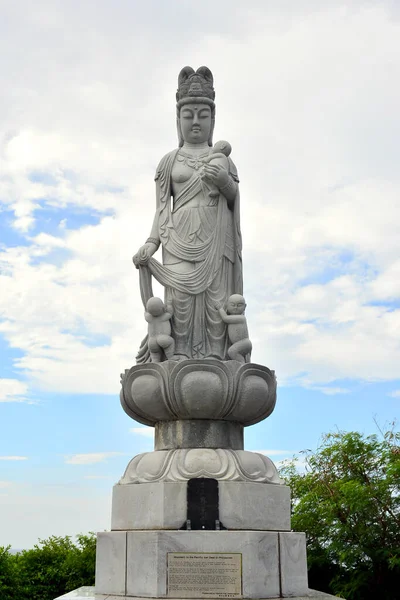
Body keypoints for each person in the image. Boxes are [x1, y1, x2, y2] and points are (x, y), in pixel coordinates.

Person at [133, 66, 242, 361]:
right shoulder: (169, 161)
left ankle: (216, 357)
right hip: (177, 237)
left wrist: (223, 181)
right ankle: (178, 354)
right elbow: (161, 208)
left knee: (215, 300)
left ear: (213, 120)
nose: (195, 121)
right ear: (178, 119)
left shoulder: (223, 160)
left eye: (203, 116)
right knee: (179, 300)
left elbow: (233, 201)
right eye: (188, 115)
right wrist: (151, 243)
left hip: (215, 237)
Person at [216, 295, 252, 363]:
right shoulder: (235, 317)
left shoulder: (241, 318)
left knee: (232, 351)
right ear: (227, 305)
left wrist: (220, 308)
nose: (235, 307)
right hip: (241, 343)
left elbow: (225, 318)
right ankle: (243, 363)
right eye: (233, 305)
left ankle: (241, 365)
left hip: (245, 343)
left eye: (239, 305)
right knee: (234, 352)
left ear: (245, 307)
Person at [145, 297, 174, 363]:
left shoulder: (149, 318)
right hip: (163, 338)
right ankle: (170, 357)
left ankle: (155, 361)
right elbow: (170, 313)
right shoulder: (164, 317)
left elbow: (145, 313)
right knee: (170, 343)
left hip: (151, 341)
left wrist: (147, 310)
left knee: (155, 355)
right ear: (162, 308)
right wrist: (169, 304)